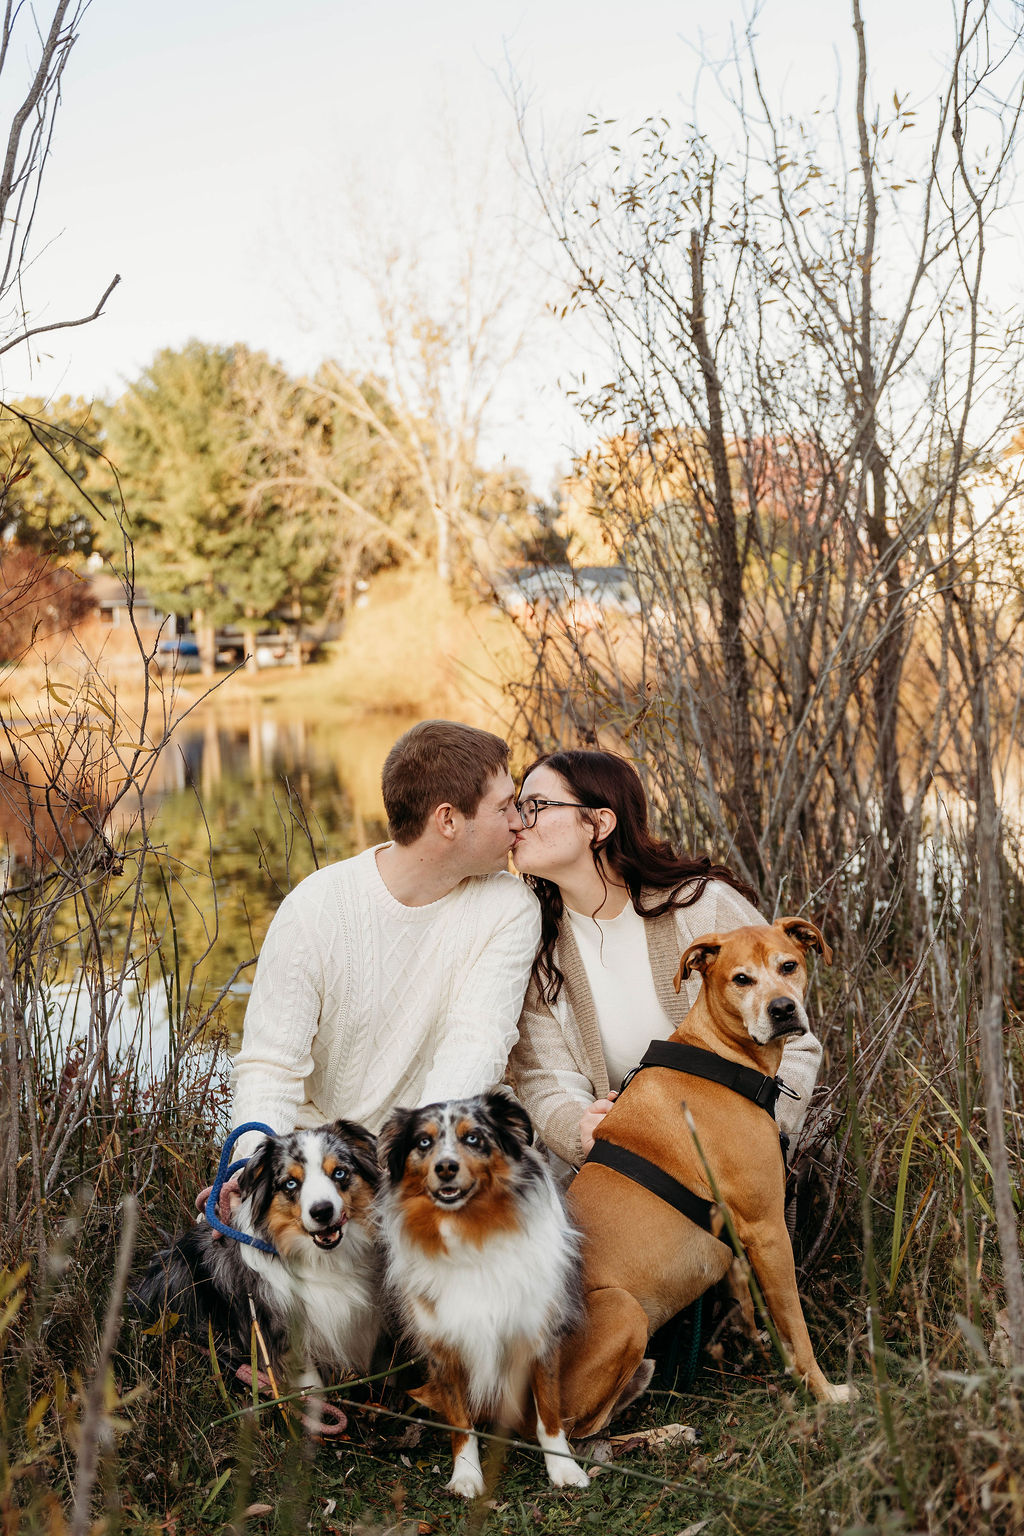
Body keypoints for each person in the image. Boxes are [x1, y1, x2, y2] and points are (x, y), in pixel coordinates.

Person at [227, 719, 540, 1159]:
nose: (518, 823)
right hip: (328, 1155)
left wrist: (409, 1159)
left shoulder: (509, 906)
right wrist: (250, 1168)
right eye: (504, 807)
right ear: (448, 820)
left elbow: (475, 1045)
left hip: (438, 1144)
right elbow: (271, 1068)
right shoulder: (314, 909)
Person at [508, 749, 822, 1176]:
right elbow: (543, 1079)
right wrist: (581, 1127)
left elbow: (796, 1046)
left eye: (536, 806)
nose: (517, 822)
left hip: (734, 1164)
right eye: (517, 807)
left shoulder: (702, 908)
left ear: (599, 824)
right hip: (623, 1166)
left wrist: (751, 1138)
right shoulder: (535, 942)